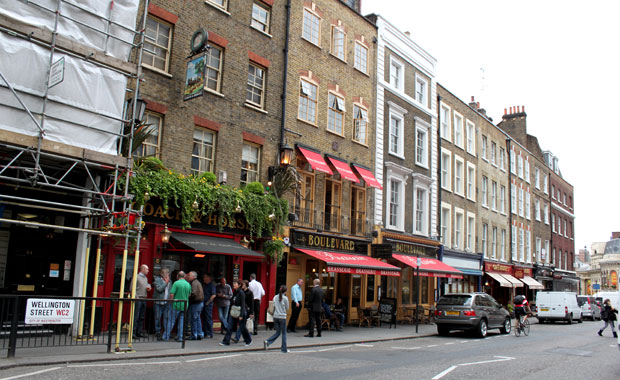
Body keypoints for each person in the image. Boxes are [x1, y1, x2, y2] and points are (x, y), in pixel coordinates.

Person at [220, 280, 252, 346]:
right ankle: (226, 341)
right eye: (233, 283)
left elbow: (243, 304)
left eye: (235, 283)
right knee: (229, 326)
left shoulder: (241, 293)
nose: (234, 285)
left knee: (242, 327)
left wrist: (241, 315)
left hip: (240, 312)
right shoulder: (235, 292)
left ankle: (248, 340)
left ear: (239, 285)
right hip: (234, 312)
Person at [162, 271, 191, 342]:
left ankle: (166, 336)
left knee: (171, 321)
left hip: (176, 305)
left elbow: (172, 294)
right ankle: (180, 337)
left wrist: (171, 301)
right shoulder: (188, 284)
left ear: (177, 276)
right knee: (181, 322)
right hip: (184, 305)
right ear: (184, 276)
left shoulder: (176, 283)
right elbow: (189, 294)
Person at [264, 285, 290, 353]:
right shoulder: (285, 298)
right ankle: (284, 349)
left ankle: (268, 341)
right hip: (282, 317)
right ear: (285, 291)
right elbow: (287, 308)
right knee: (284, 333)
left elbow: (272, 306)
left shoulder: (275, 297)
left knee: (278, 332)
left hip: (275, 316)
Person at [152, 268, 171, 340]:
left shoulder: (170, 281)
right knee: (157, 317)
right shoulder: (157, 280)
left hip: (166, 302)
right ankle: (158, 332)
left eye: (168, 274)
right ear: (163, 274)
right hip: (158, 302)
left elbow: (170, 290)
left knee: (166, 317)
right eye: (167, 273)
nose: (168, 275)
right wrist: (165, 283)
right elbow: (159, 289)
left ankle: (166, 332)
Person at [133, 264, 151, 338]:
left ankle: (139, 332)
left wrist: (148, 288)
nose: (148, 271)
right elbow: (132, 288)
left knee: (142, 317)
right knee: (136, 316)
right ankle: (133, 332)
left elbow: (146, 286)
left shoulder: (145, 278)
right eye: (147, 269)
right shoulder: (136, 277)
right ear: (143, 269)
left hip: (144, 298)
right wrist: (136, 296)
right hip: (138, 298)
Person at [187, 271, 204, 340]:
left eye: (189, 275)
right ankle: (199, 334)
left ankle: (194, 335)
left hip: (196, 303)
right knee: (197, 319)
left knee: (194, 319)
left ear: (194, 276)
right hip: (199, 303)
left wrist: (187, 297)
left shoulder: (194, 283)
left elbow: (193, 293)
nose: (188, 276)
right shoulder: (197, 282)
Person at [202, 273, 216, 338]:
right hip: (203, 303)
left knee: (208, 318)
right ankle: (205, 332)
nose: (204, 279)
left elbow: (213, 295)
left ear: (208, 278)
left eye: (205, 277)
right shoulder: (204, 285)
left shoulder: (212, 285)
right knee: (204, 318)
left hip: (208, 304)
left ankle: (210, 333)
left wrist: (208, 302)